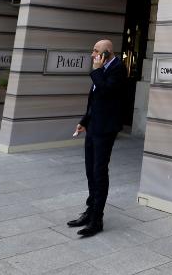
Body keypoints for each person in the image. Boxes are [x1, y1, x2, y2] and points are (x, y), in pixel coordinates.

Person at [68, 38, 126, 237]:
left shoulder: (118, 68)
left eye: (96, 51)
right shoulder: (101, 70)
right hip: (93, 126)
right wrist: (84, 121)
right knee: (90, 170)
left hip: (106, 129)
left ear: (107, 53)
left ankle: (97, 219)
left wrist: (97, 70)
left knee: (99, 172)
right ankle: (90, 210)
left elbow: (106, 91)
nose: (92, 54)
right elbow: (95, 100)